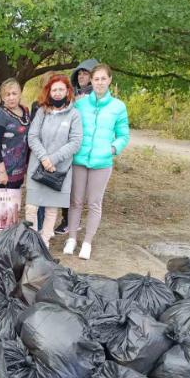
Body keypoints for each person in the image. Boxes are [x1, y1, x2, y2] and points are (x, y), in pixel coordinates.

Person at [64, 63, 130, 260]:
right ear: (91, 81)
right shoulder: (81, 104)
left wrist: (112, 149)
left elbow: (123, 135)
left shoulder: (118, 107)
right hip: (79, 159)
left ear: (110, 80)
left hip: (102, 162)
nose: (100, 82)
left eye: (103, 78)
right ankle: (72, 238)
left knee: (94, 202)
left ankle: (87, 242)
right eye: (96, 79)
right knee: (75, 201)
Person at [24, 74, 82, 248]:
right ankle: (31, 242)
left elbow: (75, 142)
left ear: (67, 91)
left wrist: (53, 159)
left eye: (61, 89)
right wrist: (44, 158)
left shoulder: (74, 114)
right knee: (31, 208)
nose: (57, 93)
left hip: (60, 169)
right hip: (38, 167)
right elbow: (32, 136)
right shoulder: (42, 111)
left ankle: (44, 242)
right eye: (54, 89)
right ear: (49, 91)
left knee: (51, 209)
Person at [55, 57, 100, 235]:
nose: (82, 76)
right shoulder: (72, 94)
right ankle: (67, 220)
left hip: (87, 149)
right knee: (68, 186)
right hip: (69, 147)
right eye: (79, 73)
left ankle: (75, 223)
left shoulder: (97, 97)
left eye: (85, 73)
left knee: (82, 191)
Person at [0, 78, 30, 189]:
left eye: (14, 93)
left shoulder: (25, 111)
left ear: (20, 94)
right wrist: (1, 172)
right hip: (0, 173)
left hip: (17, 170)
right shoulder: (0, 115)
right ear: (2, 97)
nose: (11, 97)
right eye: (7, 94)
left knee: (13, 206)